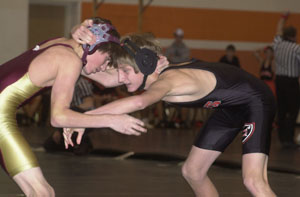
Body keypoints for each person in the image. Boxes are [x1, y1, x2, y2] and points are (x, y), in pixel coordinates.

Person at [65, 33, 277, 196]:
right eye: (120, 70)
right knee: (193, 172)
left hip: (255, 100)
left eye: (126, 71)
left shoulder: (168, 81)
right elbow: (104, 76)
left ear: (147, 64)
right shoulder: (151, 71)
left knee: (253, 181)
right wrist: (68, 51)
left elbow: (139, 102)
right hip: (230, 106)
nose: (120, 77)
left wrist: (86, 120)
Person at [0, 17, 146, 197]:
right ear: (93, 46)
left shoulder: (60, 45)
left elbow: (109, 80)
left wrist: (151, 74)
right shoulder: (70, 61)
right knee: (42, 193)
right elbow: (58, 117)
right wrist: (112, 120)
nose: (106, 66)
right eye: (108, 59)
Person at [273, 11, 300, 149]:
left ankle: (282, 138)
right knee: (293, 110)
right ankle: (289, 138)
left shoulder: (278, 44)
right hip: (291, 82)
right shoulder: (296, 48)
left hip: (279, 81)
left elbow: (278, 30)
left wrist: (283, 18)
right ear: (294, 36)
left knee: (282, 110)